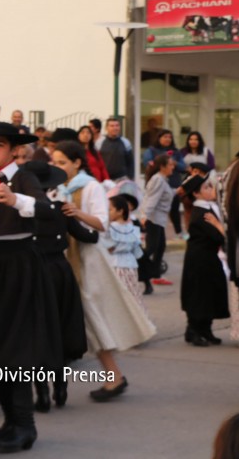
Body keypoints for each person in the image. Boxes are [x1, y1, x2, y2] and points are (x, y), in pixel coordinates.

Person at [0, 122, 60, 453]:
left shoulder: (22, 177)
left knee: (14, 348)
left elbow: (49, 211)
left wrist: (15, 198)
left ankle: (25, 425)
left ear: (14, 150)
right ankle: (11, 422)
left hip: (17, 265)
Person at [51, 141, 155, 402]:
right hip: (64, 256)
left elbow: (102, 223)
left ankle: (113, 376)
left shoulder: (91, 186)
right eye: (54, 162)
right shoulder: (57, 188)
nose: (57, 166)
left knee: (93, 316)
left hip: (88, 258)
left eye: (62, 162)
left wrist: (76, 213)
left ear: (77, 162)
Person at [20, 161, 87, 412]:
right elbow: (89, 236)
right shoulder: (61, 209)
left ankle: (42, 394)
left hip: (35, 273)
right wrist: (77, 213)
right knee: (59, 329)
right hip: (61, 273)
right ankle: (61, 388)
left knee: (37, 333)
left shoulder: (23, 211)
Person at [179, 175, 229, 347]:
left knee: (210, 293)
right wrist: (220, 228)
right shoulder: (201, 213)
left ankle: (206, 330)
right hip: (199, 259)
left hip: (209, 258)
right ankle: (194, 330)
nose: (211, 189)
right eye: (206, 187)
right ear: (196, 193)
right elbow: (217, 237)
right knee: (198, 295)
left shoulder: (209, 208)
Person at [142, 129, 187, 237]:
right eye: (165, 137)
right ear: (159, 138)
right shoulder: (152, 150)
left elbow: (183, 167)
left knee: (174, 210)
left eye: (170, 137)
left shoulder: (176, 151)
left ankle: (179, 232)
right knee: (155, 206)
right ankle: (146, 231)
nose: (168, 139)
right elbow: (148, 163)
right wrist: (144, 216)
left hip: (173, 183)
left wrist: (173, 163)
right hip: (159, 183)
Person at [141, 154, 177, 293]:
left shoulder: (162, 179)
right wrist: (145, 216)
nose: (173, 167)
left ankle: (155, 274)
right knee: (151, 249)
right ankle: (138, 269)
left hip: (159, 220)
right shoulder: (158, 179)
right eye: (170, 164)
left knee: (160, 247)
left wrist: (177, 191)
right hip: (153, 219)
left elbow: (164, 195)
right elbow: (151, 199)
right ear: (162, 166)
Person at [105, 195, 146, 309]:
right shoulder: (132, 228)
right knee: (133, 294)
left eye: (109, 209)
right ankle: (138, 317)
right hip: (131, 266)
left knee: (117, 296)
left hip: (114, 264)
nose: (107, 213)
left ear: (120, 211)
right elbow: (137, 252)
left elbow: (108, 248)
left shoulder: (109, 229)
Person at [221, 153, 239, 345]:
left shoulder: (232, 169)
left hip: (235, 236)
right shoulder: (235, 170)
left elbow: (224, 208)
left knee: (237, 288)